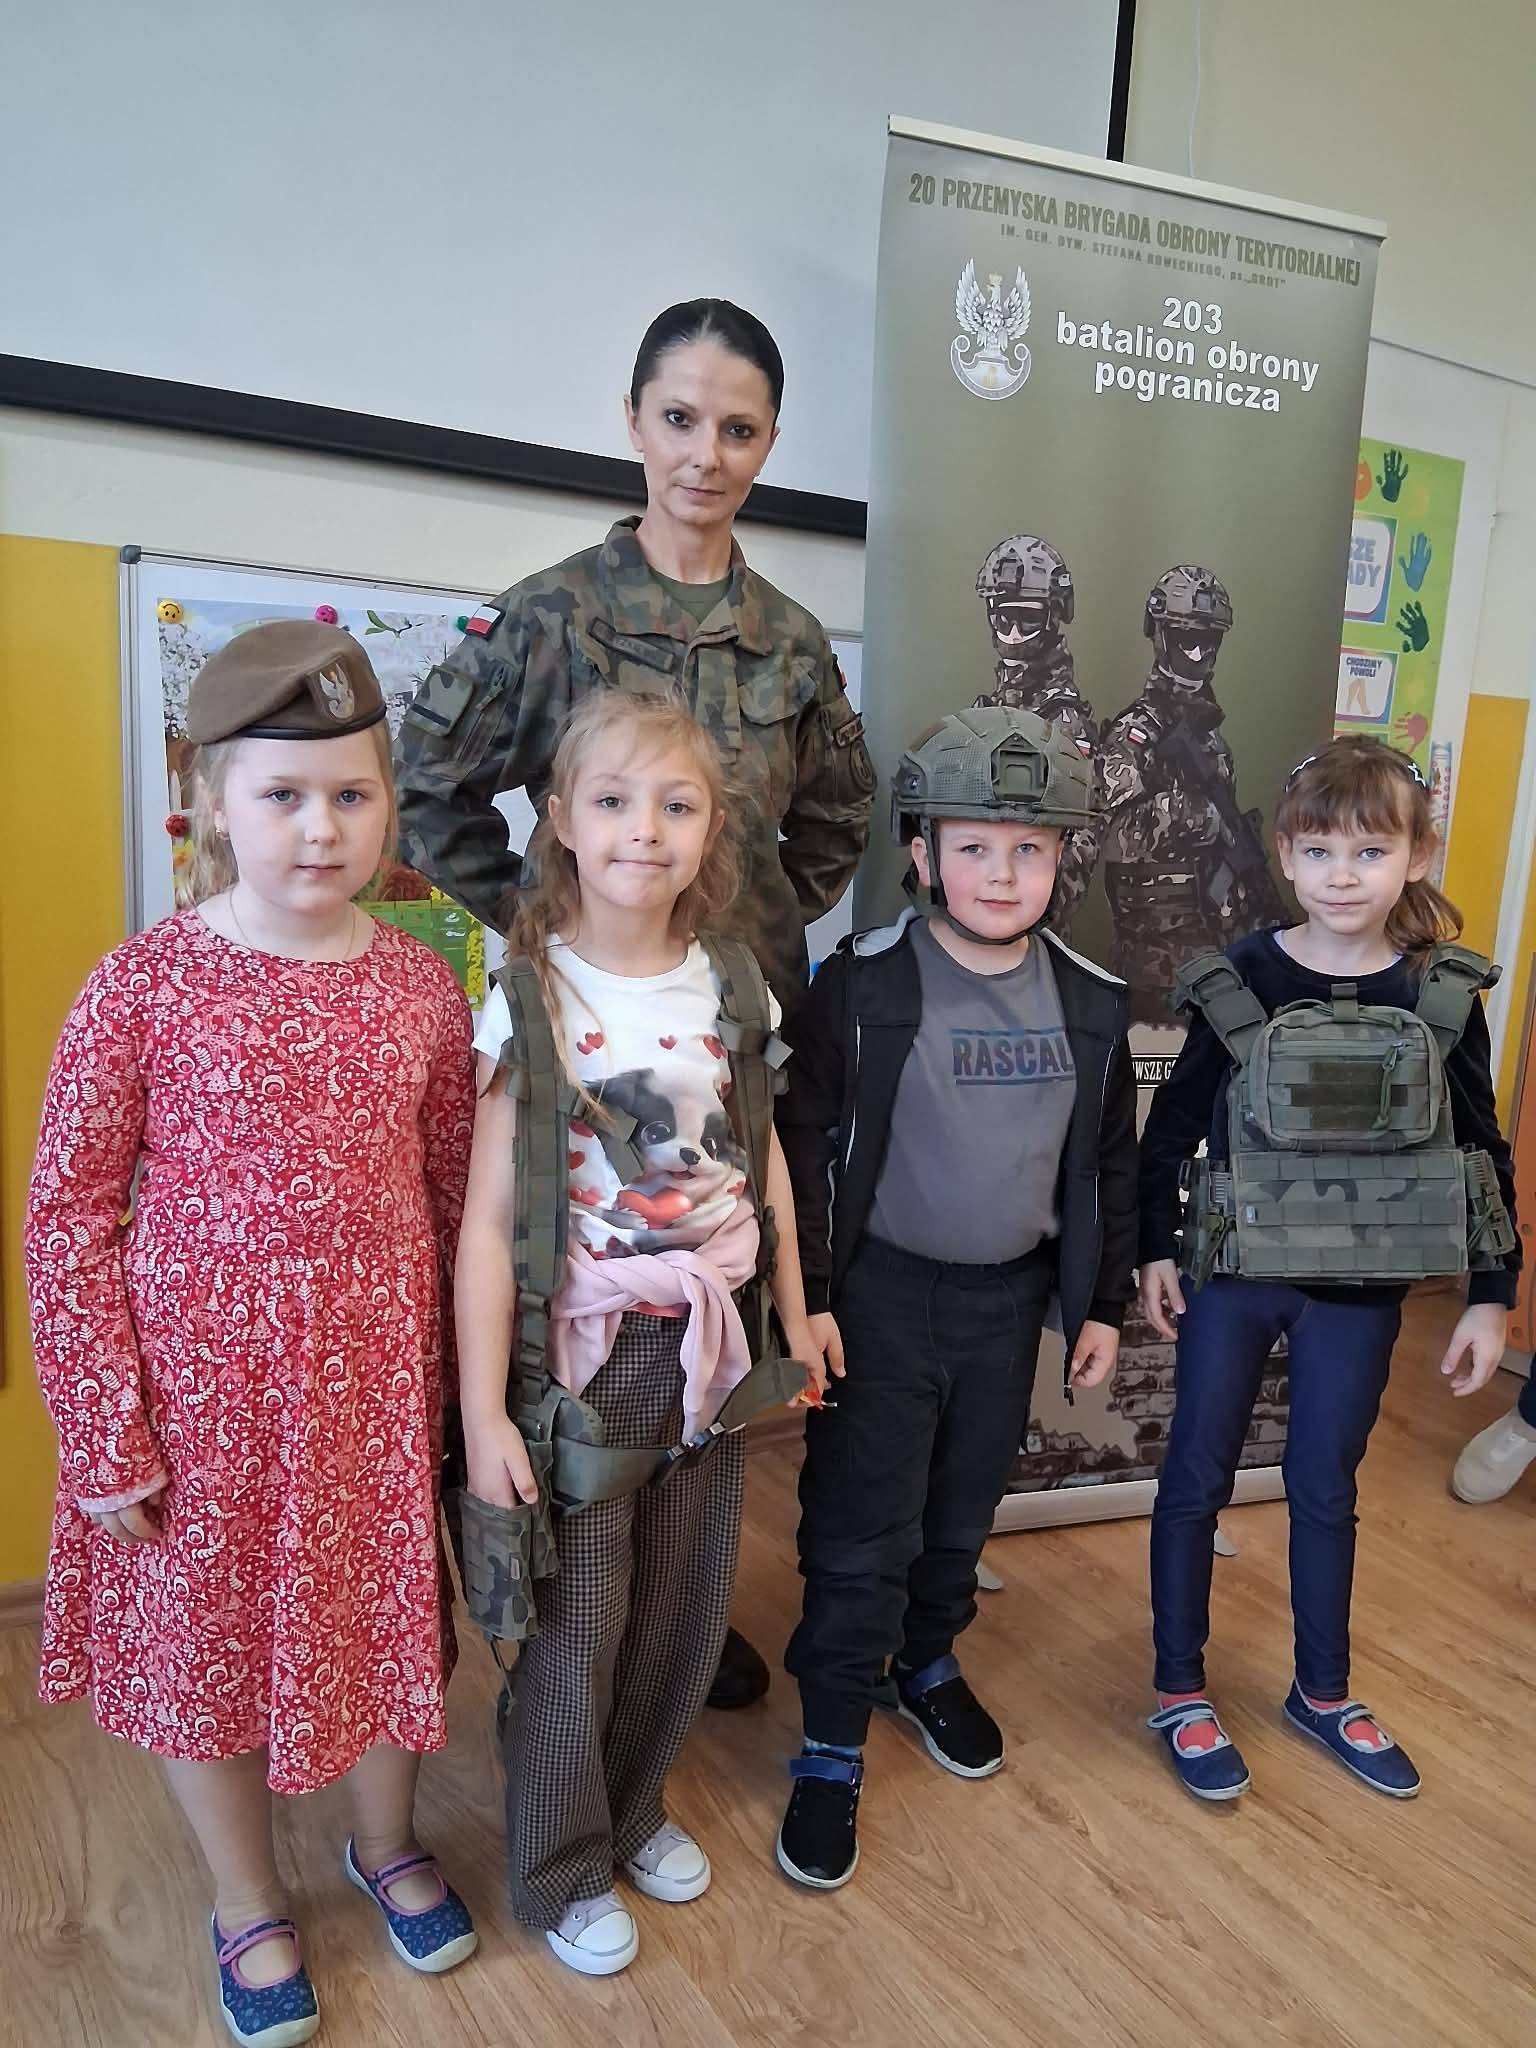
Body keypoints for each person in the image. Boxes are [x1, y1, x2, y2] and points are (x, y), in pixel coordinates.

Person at [396, 297, 875, 1706]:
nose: (704, 454)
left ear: (769, 443)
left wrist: (744, 925)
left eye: (738, 429)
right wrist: (553, 926)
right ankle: (567, 1621)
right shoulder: (550, 616)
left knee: (717, 1314)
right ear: (632, 422)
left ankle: (679, 1610)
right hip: (589, 1052)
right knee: (574, 1329)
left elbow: (839, 820)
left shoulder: (792, 642)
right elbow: (426, 788)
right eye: (679, 419)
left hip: (729, 1047)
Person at [25, 622, 479, 2048]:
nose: (320, 826)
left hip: (376, 1401)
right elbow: (66, 1219)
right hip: (197, 1411)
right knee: (204, 1652)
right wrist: (102, 1429)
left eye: (351, 793)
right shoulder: (140, 983)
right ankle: (245, 1899)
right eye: (282, 794)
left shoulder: (424, 988)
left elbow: (459, 1196)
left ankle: (386, 1840)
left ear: (388, 806)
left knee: (388, 1628)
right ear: (212, 798)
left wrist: (470, 1402)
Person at [455, 689, 826, 1974]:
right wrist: (485, 1415)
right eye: (614, 801)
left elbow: (765, 1163)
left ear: (712, 824)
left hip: (712, 1347)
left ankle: (632, 1806)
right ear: (562, 818)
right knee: (580, 1618)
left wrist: (797, 1311)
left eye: (676, 804)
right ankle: (561, 1864)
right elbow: (486, 1220)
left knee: (682, 1602)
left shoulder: (734, 980)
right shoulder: (528, 996)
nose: (644, 830)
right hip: (587, 1359)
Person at [772, 706, 1138, 1890]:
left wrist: (1099, 1303)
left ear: (1064, 860)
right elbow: (804, 1146)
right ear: (922, 851)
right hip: (880, 1299)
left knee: (960, 1511)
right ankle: (833, 1734)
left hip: (1006, 1305)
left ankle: (923, 1660)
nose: (1003, 871)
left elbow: (1109, 1165)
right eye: (974, 845)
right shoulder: (863, 985)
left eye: (1030, 848)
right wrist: (808, 1296)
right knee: (861, 1521)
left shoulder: (1091, 1002)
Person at [1138, 736, 1520, 1804]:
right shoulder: (1240, 977)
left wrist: (1493, 1296)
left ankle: (1323, 1690)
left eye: (1369, 850)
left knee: (1324, 1487)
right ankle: (1179, 1688)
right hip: (1234, 1274)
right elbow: (1170, 1128)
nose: (1341, 875)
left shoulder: (1442, 991)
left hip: (1361, 1292)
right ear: (1285, 856)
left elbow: (1481, 1151)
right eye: (1318, 850)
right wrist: (1153, 1245)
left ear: (1415, 856)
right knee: (1194, 1477)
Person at [1094, 566, 1288, 1024]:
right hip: (1151, 960)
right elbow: (1112, 836)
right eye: (1185, 640)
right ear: (1160, 635)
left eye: (1208, 641)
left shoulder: (1213, 740)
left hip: (1209, 956)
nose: (1198, 653)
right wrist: (1197, 814)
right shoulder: (1134, 732)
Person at [972, 534, 1099, 933]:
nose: (1012, 632)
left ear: (1053, 617)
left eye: (1027, 619)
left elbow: (1082, 839)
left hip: (1029, 928)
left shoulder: (1062, 719)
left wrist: (1025, 915)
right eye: (1002, 617)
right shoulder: (989, 710)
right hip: (979, 915)